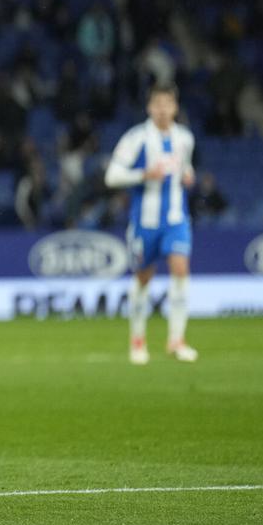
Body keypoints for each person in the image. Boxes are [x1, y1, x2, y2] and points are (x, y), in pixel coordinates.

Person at [104, 84, 198, 364]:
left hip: (176, 219)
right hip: (145, 222)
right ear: (149, 108)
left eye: (167, 104)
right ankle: (137, 341)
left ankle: (176, 341)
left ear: (175, 107)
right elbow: (112, 176)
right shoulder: (136, 138)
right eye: (157, 104)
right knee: (143, 277)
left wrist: (188, 175)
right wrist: (144, 174)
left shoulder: (185, 138)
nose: (162, 109)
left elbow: (185, 168)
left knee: (180, 268)